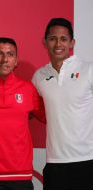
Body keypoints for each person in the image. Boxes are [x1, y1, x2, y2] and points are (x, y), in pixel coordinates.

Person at [0, 37, 45, 190]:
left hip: (20, 176)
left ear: (16, 60)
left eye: (10, 54)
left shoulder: (28, 89)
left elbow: (50, 117)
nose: (5, 59)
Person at [32, 18, 93, 190]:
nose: (58, 44)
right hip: (54, 163)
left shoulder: (89, 69)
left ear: (72, 43)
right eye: (52, 38)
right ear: (45, 42)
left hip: (87, 161)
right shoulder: (39, 76)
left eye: (63, 39)